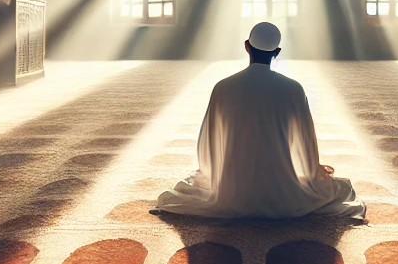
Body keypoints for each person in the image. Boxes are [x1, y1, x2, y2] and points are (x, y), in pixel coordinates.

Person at [154, 22, 365, 220]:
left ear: (247, 47)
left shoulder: (224, 87)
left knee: (176, 194)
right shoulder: (293, 89)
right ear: (277, 52)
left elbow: (208, 142)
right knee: (343, 189)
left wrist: (211, 176)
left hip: (232, 192)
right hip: (284, 193)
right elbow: (305, 143)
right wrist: (313, 174)